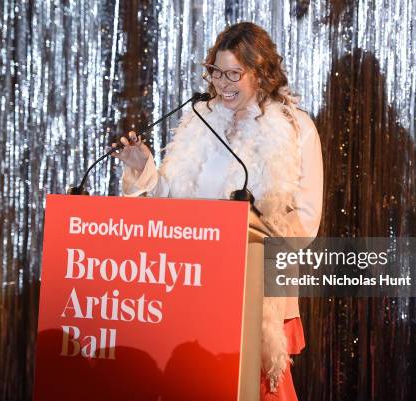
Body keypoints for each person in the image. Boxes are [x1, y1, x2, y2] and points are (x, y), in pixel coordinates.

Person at [112, 22, 323, 401]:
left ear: (260, 73)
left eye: (233, 74)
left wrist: (246, 231)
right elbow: (174, 202)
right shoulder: (200, 119)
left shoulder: (296, 127)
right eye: (215, 72)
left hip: (254, 290)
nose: (222, 83)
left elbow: (305, 221)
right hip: (195, 285)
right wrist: (142, 167)